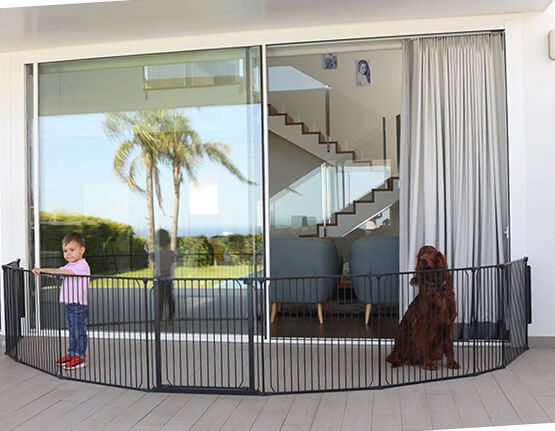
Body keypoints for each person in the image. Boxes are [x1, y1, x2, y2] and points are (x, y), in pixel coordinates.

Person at [32, 232, 90, 369]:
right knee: (72, 332)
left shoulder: (82, 265)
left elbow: (62, 273)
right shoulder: (69, 265)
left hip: (78, 305)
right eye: (65, 251)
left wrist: (42, 269)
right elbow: (57, 272)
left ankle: (80, 357)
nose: (68, 254)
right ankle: (71, 354)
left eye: (72, 250)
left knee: (79, 332)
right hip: (69, 304)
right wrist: (42, 272)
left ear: (82, 250)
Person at [154, 229, 176, 320]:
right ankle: (171, 316)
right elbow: (173, 267)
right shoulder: (172, 253)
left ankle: (160, 317)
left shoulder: (157, 254)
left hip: (160, 279)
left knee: (160, 299)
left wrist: (155, 277)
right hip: (168, 279)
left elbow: (157, 268)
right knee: (170, 298)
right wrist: (171, 277)